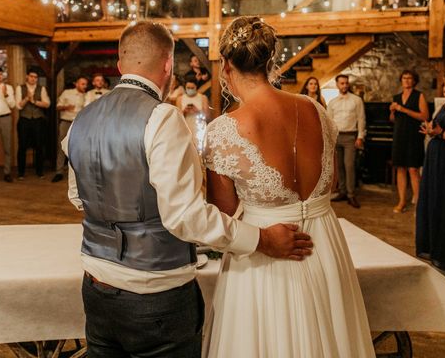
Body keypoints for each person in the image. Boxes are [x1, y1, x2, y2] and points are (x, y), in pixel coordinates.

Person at [65, 21, 313, 357]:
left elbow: (78, 196)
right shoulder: (162, 118)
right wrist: (262, 239)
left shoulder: (83, 118)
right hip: (154, 295)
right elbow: (187, 218)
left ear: (120, 65)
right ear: (168, 65)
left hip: (95, 286)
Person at [203, 16, 374, 357]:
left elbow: (223, 212)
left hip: (265, 255)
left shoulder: (223, 130)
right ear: (270, 61)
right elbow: (334, 182)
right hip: (324, 245)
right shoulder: (317, 111)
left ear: (225, 65)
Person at [416, 63, 445, 279]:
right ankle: (434, 249)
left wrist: (441, 132)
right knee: (434, 203)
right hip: (436, 161)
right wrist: (431, 130)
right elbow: (437, 126)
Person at [389, 70, 429, 213]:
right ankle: (402, 201)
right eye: (404, 78)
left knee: (413, 169)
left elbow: (424, 116)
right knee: (400, 168)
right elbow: (393, 120)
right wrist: (393, 112)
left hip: (414, 136)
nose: (406, 80)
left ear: (414, 81)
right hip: (399, 135)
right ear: (401, 80)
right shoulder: (396, 97)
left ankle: (418, 202)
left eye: (409, 78)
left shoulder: (419, 96)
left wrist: (403, 109)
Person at [328, 74, 365, 208]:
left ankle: (351, 194)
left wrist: (360, 137)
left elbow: (361, 119)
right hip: (336, 137)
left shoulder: (356, 100)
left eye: (346, 83)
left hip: (350, 136)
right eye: (341, 83)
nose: (344, 85)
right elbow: (329, 122)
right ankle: (342, 191)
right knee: (339, 167)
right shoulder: (332, 102)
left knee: (349, 166)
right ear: (337, 85)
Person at [15, 68, 50, 179]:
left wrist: (34, 101)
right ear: (27, 76)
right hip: (24, 120)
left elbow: (47, 104)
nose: (33, 79)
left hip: (38, 120)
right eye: (31, 76)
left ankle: (40, 172)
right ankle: (21, 173)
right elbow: (18, 106)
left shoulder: (42, 88)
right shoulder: (20, 88)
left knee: (39, 146)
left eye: (35, 77)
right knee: (22, 146)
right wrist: (27, 99)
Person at [52, 76, 87, 183]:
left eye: (85, 84)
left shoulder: (86, 96)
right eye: (82, 84)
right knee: (62, 146)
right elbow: (58, 106)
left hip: (80, 124)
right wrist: (66, 107)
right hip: (66, 122)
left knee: (79, 148)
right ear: (76, 84)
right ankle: (59, 172)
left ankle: (79, 174)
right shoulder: (67, 93)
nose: (84, 86)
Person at [176, 77, 209, 153]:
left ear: (196, 87)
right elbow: (178, 117)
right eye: (188, 88)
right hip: (186, 126)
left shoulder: (203, 97)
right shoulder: (180, 98)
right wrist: (184, 111)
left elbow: (207, 116)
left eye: (192, 88)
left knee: (200, 150)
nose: (190, 89)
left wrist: (198, 111)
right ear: (185, 87)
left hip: (199, 127)